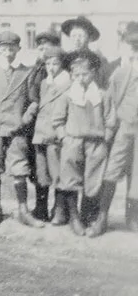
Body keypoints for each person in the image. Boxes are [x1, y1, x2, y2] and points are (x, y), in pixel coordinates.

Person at [0, 31, 39, 227]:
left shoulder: (25, 71)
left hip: (16, 129)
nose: (8, 52)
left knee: (20, 168)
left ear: (18, 49)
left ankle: (23, 210)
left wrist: (24, 120)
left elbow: (34, 101)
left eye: (12, 48)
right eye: (4, 48)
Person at [51, 50, 116, 236]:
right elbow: (57, 120)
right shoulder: (67, 95)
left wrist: (106, 137)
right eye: (77, 75)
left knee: (94, 180)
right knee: (70, 179)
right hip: (72, 141)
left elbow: (110, 120)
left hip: (96, 143)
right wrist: (64, 137)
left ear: (93, 73)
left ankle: (90, 217)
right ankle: (74, 218)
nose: (81, 78)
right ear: (71, 75)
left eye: (85, 74)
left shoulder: (102, 95)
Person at [103, 21, 138, 232]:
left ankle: (132, 217)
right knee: (113, 169)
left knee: (137, 173)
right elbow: (110, 100)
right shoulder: (120, 70)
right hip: (123, 126)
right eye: (132, 45)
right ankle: (101, 217)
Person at [31, 47, 71, 225]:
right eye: (48, 63)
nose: (51, 67)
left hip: (55, 135)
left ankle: (60, 211)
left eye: (55, 63)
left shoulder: (67, 84)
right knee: (42, 174)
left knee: (58, 174)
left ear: (62, 64)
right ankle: (41, 210)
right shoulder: (45, 83)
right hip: (41, 134)